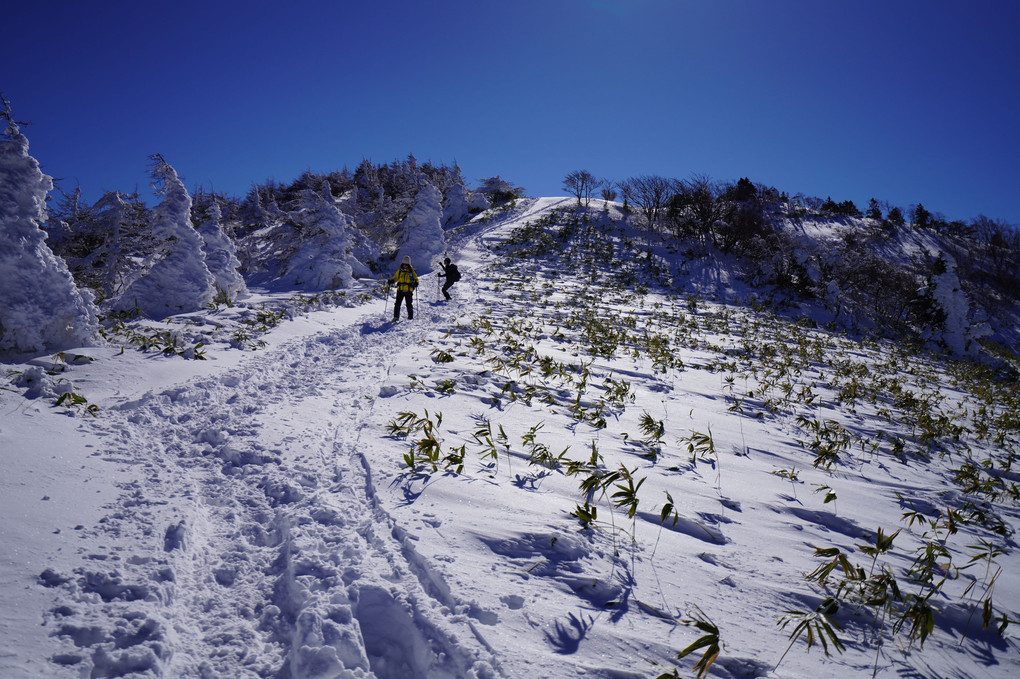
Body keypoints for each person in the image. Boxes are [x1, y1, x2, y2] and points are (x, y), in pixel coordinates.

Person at [389, 256, 418, 321]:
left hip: (408, 290)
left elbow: (415, 279)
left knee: (409, 303)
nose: (405, 266)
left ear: (409, 265)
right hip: (400, 289)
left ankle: (410, 317)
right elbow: (395, 278)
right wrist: (392, 281)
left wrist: (416, 283)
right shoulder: (399, 271)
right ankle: (396, 317)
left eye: (406, 265)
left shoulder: (411, 272)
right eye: (404, 265)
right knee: (397, 303)